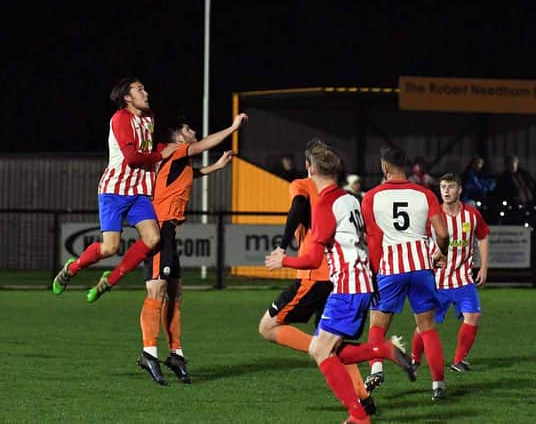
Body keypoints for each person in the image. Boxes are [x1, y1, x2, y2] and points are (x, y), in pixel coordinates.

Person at [265, 143, 415, 424]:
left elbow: (311, 258)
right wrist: (372, 274)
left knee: (320, 351)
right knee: (329, 349)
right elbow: (373, 239)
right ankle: (384, 352)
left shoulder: (324, 205)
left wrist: (282, 260)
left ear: (310, 169)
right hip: (360, 283)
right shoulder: (350, 199)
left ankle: (358, 414)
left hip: (345, 287)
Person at [258, 139, 375, 414]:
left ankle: (320, 351)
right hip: (339, 275)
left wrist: (282, 246)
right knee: (334, 339)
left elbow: (297, 207)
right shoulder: (343, 196)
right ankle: (363, 399)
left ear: (309, 166)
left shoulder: (303, 185)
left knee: (268, 327)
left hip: (314, 274)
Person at [137, 113, 247, 385]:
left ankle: (175, 353)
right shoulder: (174, 149)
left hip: (169, 230)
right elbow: (203, 145)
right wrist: (232, 128)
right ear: (178, 137)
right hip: (159, 228)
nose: (193, 131)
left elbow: (191, 174)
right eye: (188, 128)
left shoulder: (178, 159)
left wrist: (216, 168)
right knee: (157, 289)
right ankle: (149, 351)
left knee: (174, 292)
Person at [52, 77, 178, 301]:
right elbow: (131, 158)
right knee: (110, 248)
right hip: (114, 191)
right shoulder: (120, 119)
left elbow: (146, 147)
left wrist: (171, 149)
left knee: (152, 239)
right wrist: (161, 154)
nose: (146, 93)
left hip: (139, 191)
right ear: (127, 97)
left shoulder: (149, 117)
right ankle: (72, 268)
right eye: (140, 89)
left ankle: (110, 280)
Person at [360, 144, 450, 401]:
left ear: (384, 166)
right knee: (427, 328)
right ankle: (438, 385)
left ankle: (377, 368)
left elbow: (373, 240)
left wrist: (375, 271)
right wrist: (440, 252)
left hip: (391, 268)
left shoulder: (372, 197)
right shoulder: (425, 194)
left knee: (377, 323)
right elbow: (442, 233)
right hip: (421, 267)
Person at [411, 173, 490, 373]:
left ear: (460, 190)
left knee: (473, 315)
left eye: (450, 186)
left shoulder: (472, 214)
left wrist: (483, 266)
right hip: (437, 281)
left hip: (463, 279)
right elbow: (418, 241)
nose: (446, 191)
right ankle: (414, 360)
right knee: (424, 324)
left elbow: (482, 237)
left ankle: (458, 360)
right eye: (443, 187)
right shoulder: (433, 216)